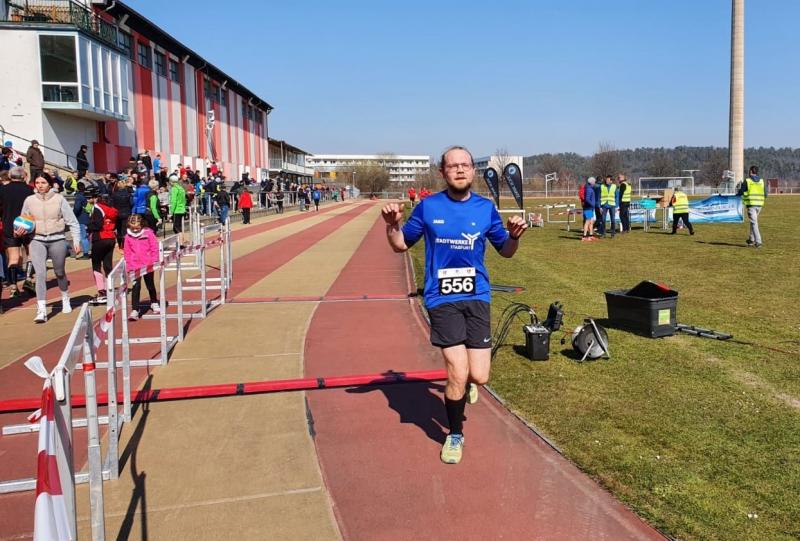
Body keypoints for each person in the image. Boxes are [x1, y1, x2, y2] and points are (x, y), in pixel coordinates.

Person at [381, 146, 528, 464]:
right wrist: (392, 226)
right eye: (452, 166)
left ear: (473, 170)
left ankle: (467, 384)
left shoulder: (485, 208)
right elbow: (400, 245)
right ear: (442, 172)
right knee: (457, 372)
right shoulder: (428, 207)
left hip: (477, 296)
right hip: (442, 297)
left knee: (480, 375)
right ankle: (455, 434)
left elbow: (505, 251)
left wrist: (515, 236)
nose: (460, 170)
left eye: (465, 165)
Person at [18, 173, 81, 322]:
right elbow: (23, 220)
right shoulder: (29, 200)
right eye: (37, 183)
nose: (40, 185)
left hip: (57, 238)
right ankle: (41, 310)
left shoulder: (59, 199)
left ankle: (65, 297)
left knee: (59, 272)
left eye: (43, 183)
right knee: (40, 274)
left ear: (50, 184)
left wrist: (76, 241)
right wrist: (20, 230)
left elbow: (72, 221)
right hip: (37, 240)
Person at [1, 166, 34, 297]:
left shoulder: (3, 190)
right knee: (31, 254)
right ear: (24, 176)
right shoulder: (30, 190)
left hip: (9, 226)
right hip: (28, 225)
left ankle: (13, 287)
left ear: (10, 176)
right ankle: (29, 279)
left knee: (13, 257)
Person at [123, 215, 160, 320]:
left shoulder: (148, 234)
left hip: (147, 263)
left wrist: (154, 260)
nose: (135, 230)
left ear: (142, 225)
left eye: (137, 228)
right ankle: (135, 309)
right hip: (135, 265)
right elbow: (127, 252)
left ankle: (154, 302)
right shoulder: (128, 237)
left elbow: (154, 247)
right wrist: (129, 266)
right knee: (136, 286)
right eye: (132, 228)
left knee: (150, 284)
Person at [86, 189, 118, 304]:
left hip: (100, 237)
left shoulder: (97, 207)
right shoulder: (112, 209)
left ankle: (101, 291)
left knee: (96, 265)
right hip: (111, 237)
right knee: (108, 265)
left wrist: (88, 226)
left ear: (97, 198)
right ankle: (110, 289)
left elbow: (98, 224)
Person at [737, 165, 767, 248]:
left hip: (751, 204)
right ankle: (751, 240)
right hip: (760, 205)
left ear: (750, 172)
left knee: (754, 223)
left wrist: (738, 194)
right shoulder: (762, 181)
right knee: (753, 222)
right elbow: (766, 194)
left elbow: (741, 192)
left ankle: (758, 241)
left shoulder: (747, 181)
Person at [72, 181, 92, 258]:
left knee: (83, 237)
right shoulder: (87, 195)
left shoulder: (79, 197)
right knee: (87, 236)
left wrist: (73, 214)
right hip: (88, 217)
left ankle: (86, 253)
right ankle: (88, 251)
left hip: (81, 218)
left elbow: (77, 208)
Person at [111, 179, 133, 248]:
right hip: (127, 212)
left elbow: (112, 204)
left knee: (119, 229)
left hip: (117, 213)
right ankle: (125, 244)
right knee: (125, 229)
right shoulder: (128, 194)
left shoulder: (114, 194)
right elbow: (131, 203)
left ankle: (120, 244)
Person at [169, 175, 187, 244]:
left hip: (177, 210)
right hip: (182, 209)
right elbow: (184, 199)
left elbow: (173, 201)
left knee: (176, 227)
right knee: (179, 226)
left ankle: (180, 242)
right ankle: (181, 241)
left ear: (171, 181)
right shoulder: (181, 188)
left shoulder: (174, 189)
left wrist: (171, 212)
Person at [581, 177, 598, 242]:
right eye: (594, 182)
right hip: (588, 208)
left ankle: (591, 236)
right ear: (591, 182)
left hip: (590, 208)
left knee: (591, 222)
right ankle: (584, 237)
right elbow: (587, 199)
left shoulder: (589, 188)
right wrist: (592, 204)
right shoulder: (588, 189)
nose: (594, 183)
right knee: (587, 222)